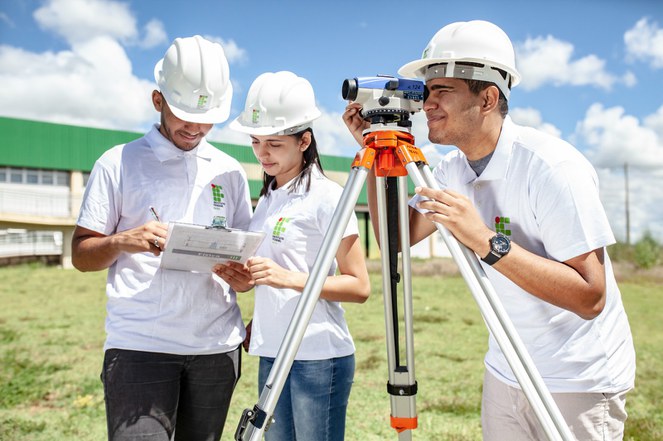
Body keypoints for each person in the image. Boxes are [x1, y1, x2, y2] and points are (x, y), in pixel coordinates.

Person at [343, 20, 636, 441]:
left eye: (443, 90)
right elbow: (395, 238)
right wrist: (371, 149)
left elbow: (591, 296)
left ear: (488, 97)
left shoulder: (552, 168)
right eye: (426, 91)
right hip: (505, 369)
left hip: (576, 380)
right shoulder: (449, 170)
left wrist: (483, 239)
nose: (427, 103)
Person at [71, 35, 252, 441]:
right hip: (140, 347)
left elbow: (245, 248)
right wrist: (122, 240)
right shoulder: (118, 163)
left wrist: (243, 275)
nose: (196, 128)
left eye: (206, 118)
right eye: (184, 115)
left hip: (216, 348)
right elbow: (81, 254)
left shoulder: (229, 171)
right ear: (158, 101)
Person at [213, 71, 371, 441]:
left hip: (317, 356)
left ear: (304, 141)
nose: (262, 153)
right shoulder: (267, 199)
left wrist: (286, 278)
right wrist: (247, 281)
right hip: (270, 350)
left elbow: (359, 285)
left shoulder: (328, 196)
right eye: (255, 142)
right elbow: (270, 274)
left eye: (274, 143)